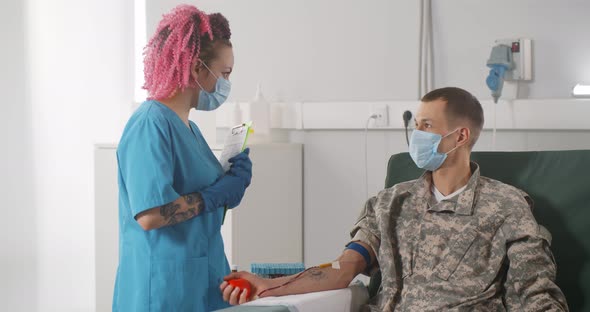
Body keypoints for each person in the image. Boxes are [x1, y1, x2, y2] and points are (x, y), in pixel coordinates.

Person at [220, 87, 568, 311]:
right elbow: (343, 270)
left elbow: (534, 293)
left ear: (460, 135)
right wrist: (271, 285)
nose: (416, 135)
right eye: (415, 125)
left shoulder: (507, 206)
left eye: (427, 126)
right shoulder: (389, 203)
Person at [113, 4, 252, 311]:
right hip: (162, 289)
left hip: (200, 282)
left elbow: (202, 206)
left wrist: (231, 183)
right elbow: (149, 216)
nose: (226, 84)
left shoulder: (188, 128)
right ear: (197, 68)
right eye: (224, 73)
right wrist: (214, 195)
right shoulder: (150, 124)